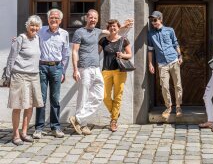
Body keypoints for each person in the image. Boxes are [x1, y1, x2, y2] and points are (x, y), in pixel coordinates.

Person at [69, 9, 132, 135]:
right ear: (86, 18)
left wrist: (123, 26)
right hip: (84, 67)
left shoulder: (98, 32)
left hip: (96, 68)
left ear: (97, 20)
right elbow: (74, 51)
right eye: (90, 17)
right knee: (83, 96)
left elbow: (112, 31)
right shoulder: (79, 32)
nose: (92, 20)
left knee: (98, 96)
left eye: (95, 18)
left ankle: (78, 119)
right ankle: (83, 124)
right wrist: (75, 69)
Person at [5, 15, 44, 145]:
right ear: (27, 26)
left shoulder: (38, 38)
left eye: (36, 26)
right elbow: (11, 58)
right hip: (19, 75)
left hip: (34, 76)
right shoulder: (20, 39)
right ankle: (15, 134)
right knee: (18, 106)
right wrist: (8, 76)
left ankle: (24, 132)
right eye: (32, 25)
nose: (34, 28)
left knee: (30, 106)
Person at [34, 9, 70, 139]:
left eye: (56, 18)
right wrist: (19, 40)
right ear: (48, 19)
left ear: (60, 20)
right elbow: (30, 36)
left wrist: (63, 71)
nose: (53, 20)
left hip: (56, 67)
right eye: (51, 17)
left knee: (55, 99)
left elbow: (66, 54)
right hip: (42, 67)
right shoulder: (40, 30)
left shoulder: (64, 34)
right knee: (41, 99)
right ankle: (38, 128)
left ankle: (55, 127)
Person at [147, 11, 183, 121]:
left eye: (155, 20)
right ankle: (168, 107)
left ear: (160, 19)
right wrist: (150, 63)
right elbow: (150, 50)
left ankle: (178, 107)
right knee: (164, 86)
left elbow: (175, 43)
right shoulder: (150, 34)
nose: (153, 23)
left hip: (173, 60)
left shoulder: (170, 30)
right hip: (162, 64)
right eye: (152, 21)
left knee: (177, 85)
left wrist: (180, 56)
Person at [98, 19, 132, 132]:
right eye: (111, 26)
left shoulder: (124, 40)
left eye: (115, 26)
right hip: (106, 71)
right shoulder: (103, 41)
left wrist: (122, 54)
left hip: (120, 71)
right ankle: (115, 113)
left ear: (118, 28)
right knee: (105, 96)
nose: (113, 28)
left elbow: (130, 55)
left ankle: (113, 121)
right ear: (108, 29)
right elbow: (96, 53)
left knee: (118, 95)